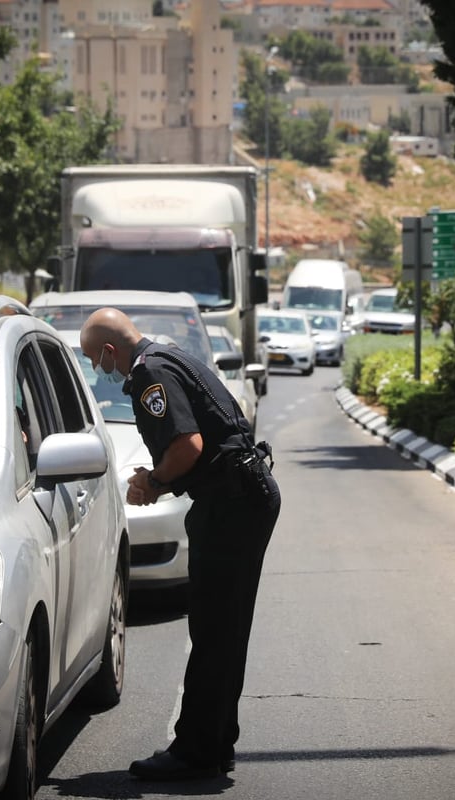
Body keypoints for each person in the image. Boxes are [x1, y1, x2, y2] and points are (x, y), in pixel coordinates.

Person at [80, 307, 281, 781]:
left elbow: (186, 446)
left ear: (111, 351)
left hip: (232, 503)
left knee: (214, 631)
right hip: (242, 496)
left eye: (95, 360)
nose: (98, 369)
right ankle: (214, 743)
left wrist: (153, 481)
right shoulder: (166, 356)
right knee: (224, 631)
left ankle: (195, 752)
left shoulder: (150, 372)